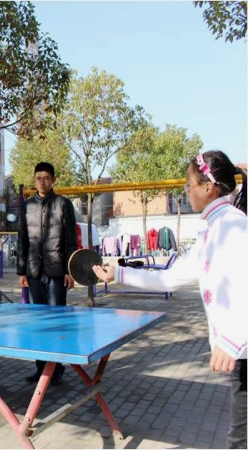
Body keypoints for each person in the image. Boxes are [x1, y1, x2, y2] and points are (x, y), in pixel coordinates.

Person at [93, 150, 247, 449]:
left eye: (190, 184)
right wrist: (119, 273)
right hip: (241, 353)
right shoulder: (212, 230)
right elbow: (169, 278)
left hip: (240, 347)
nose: (186, 190)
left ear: (208, 187)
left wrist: (231, 339)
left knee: (238, 439)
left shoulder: (232, 224)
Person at [17, 162, 78, 385]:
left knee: (56, 322)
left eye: (46, 178)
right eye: (38, 178)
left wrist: (70, 270)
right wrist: (22, 271)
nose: (42, 182)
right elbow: (22, 239)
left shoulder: (63, 204)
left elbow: (71, 239)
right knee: (38, 323)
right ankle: (41, 368)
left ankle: (56, 369)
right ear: (34, 180)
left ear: (53, 180)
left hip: (56, 271)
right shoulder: (26, 206)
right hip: (34, 271)